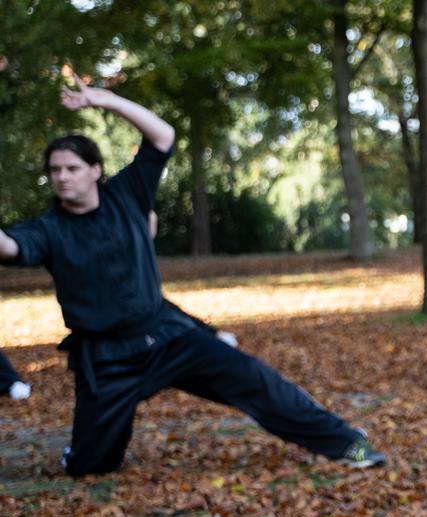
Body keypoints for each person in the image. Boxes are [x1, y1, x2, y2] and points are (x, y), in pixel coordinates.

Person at [0, 74, 382, 475]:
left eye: (72, 167)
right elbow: (9, 246)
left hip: (169, 338)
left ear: (95, 170)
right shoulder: (47, 228)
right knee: (91, 467)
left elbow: (163, 136)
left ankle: (346, 443)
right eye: (55, 170)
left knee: (258, 381)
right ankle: (82, 454)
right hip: (107, 357)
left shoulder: (126, 194)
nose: (62, 176)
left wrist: (105, 100)